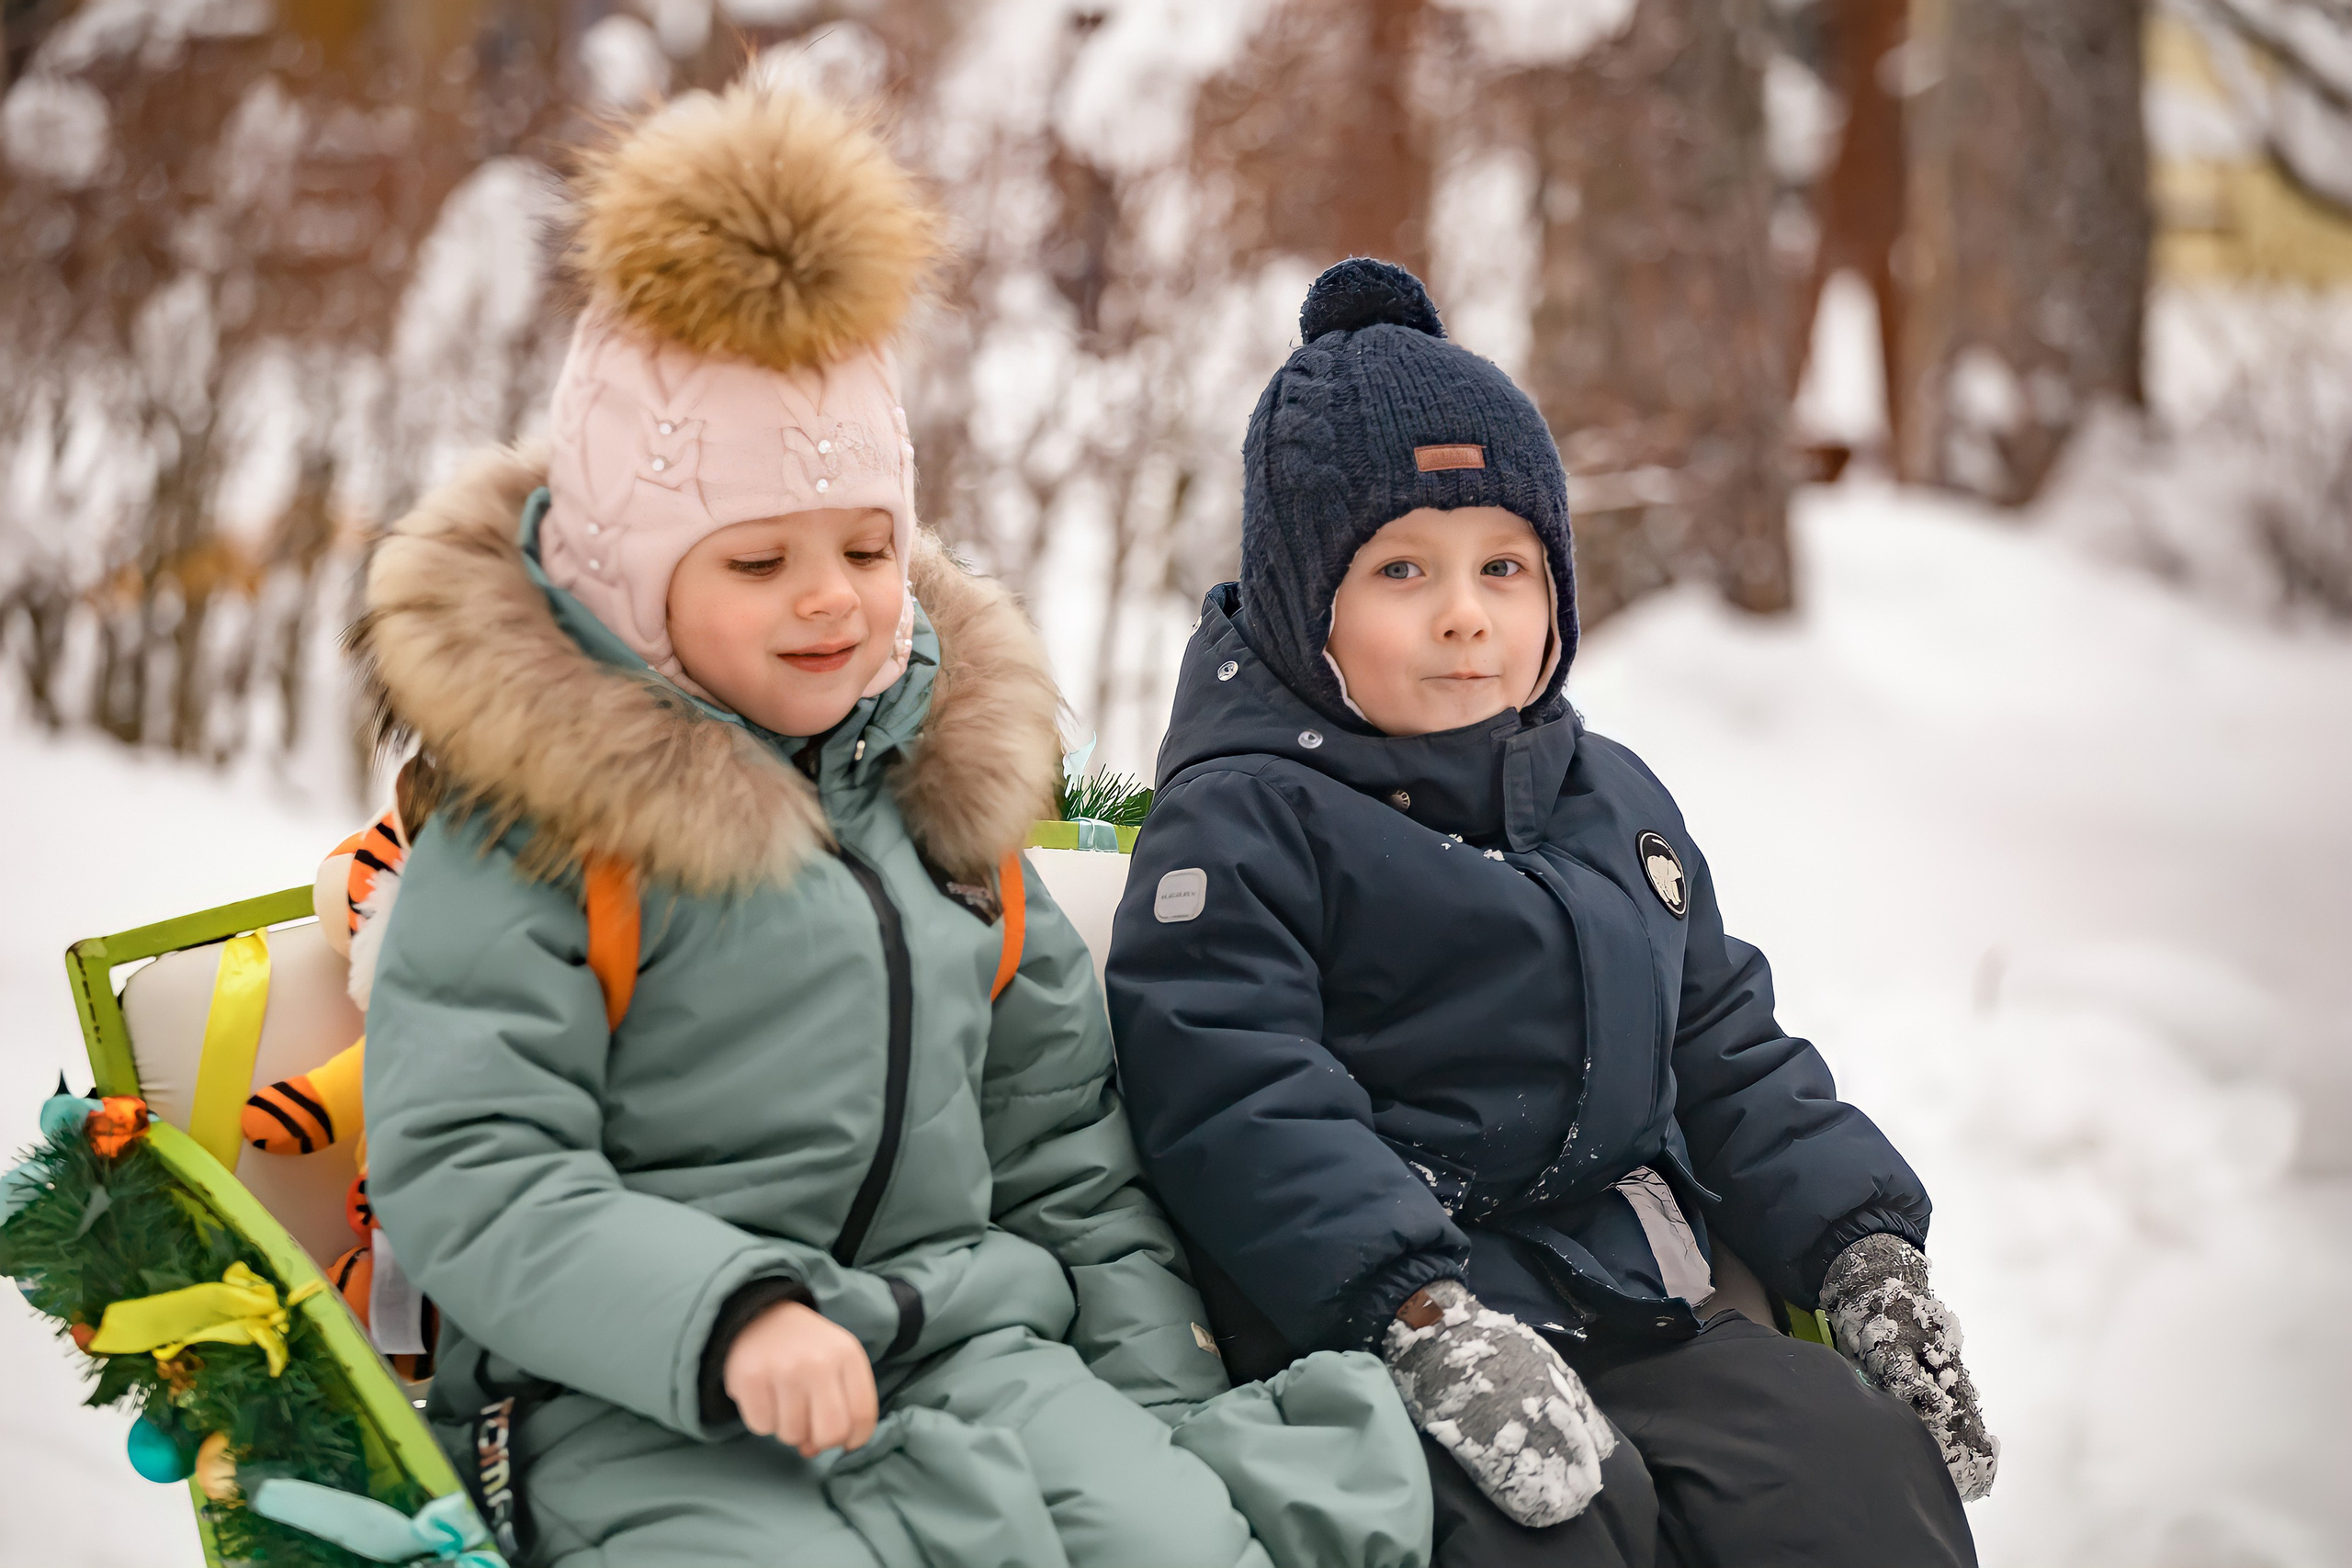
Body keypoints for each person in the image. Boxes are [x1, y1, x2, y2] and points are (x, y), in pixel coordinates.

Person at [358, 87, 1425, 1568]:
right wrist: (723, 1317)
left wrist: (1159, 1395)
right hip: (634, 1396)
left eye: (867, 546)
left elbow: (1061, 1146)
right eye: (757, 560)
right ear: (622, 572)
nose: (830, 598)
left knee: (1184, 1541)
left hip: (966, 1345)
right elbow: (478, 1167)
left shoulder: (935, 799)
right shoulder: (541, 833)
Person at [1106, 257, 1998, 1568]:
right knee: (1553, 1531)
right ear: (1308, 605)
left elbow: (1725, 1047)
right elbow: (1237, 1092)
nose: (1467, 617)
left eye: (1505, 568)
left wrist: (1859, 1245)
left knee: (1851, 1476)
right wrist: (1420, 1313)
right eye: (1403, 570)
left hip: (1638, 1312)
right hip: (1389, 1341)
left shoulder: (1608, 798)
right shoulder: (1245, 820)